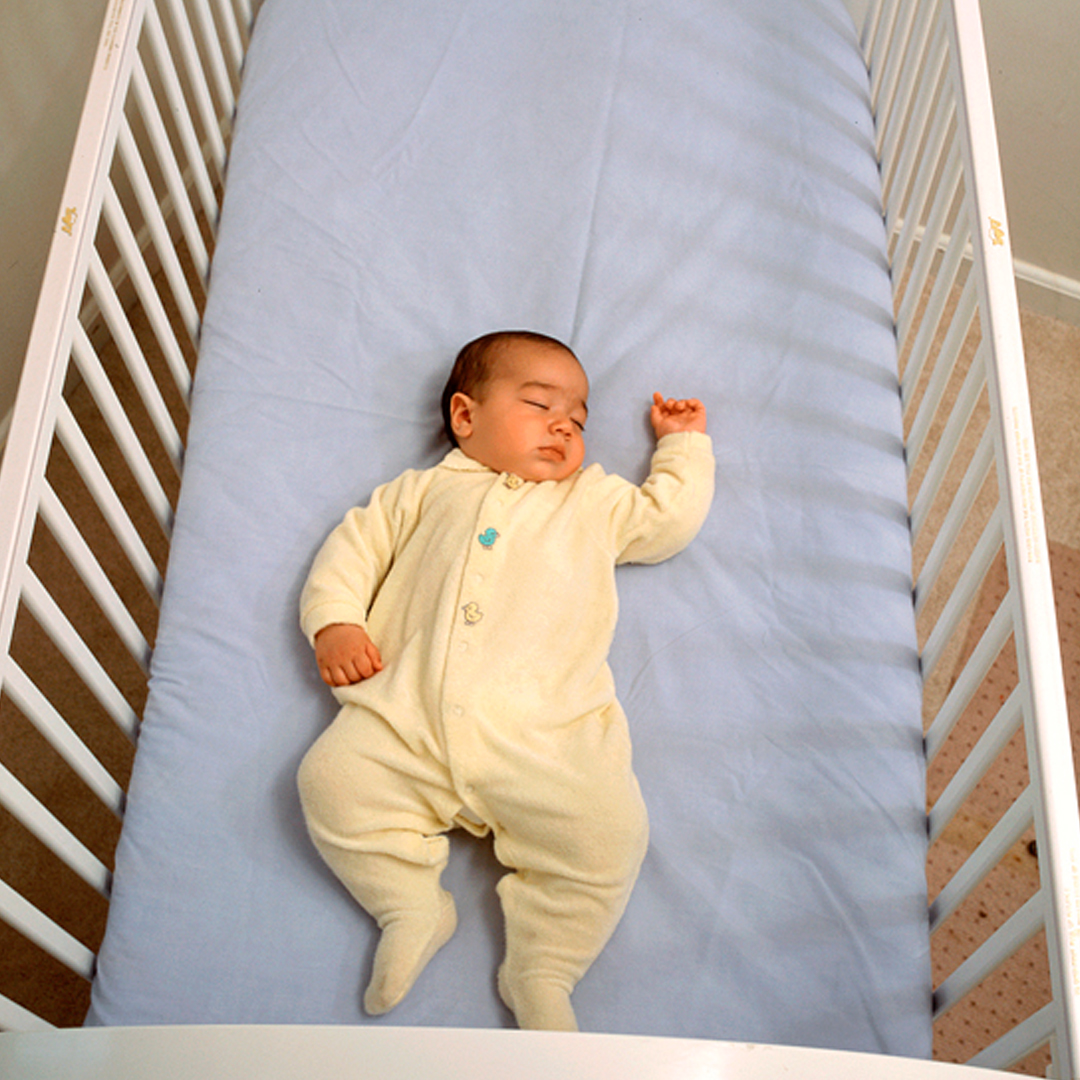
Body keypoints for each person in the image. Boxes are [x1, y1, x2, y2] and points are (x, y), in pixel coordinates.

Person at [297, 330, 714, 1030]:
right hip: (408, 721)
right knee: (331, 782)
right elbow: (352, 550)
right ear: (466, 417)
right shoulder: (422, 492)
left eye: (578, 420)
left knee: (609, 834)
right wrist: (335, 621)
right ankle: (409, 904)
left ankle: (544, 967)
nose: (563, 425)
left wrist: (682, 446)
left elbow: (666, 521)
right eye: (540, 404)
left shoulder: (591, 499)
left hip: (547, 737)